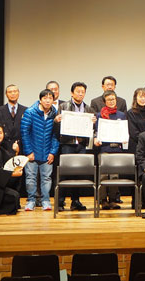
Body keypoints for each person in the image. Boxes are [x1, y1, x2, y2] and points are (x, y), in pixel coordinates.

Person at [54, 81, 95, 212]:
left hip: (81, 144)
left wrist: (93, 123)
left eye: (83, 92)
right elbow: (57, 127)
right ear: (72, 93)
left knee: (78, 173)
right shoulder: (63, 106)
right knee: (65, 173)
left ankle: (75, 201)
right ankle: (60, 201)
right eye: (78, 91)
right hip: (68, 143)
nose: (80, 94)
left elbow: (91, 129)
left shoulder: (89, 109)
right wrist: (57, 121)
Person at [20, 89, 59, 211]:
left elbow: (56, 135)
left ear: (53, 100)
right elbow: (24, 132)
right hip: (32, 152)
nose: (47, 101)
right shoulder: (30, 112)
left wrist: (53, 152)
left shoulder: (55, 114)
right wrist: (28, 152)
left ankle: (46, 201)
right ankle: (31, 201)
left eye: (50, 98)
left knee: (47, 178)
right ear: (40, 100)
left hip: (47, 152)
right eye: (45, 98)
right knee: (30, 178)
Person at [94, 90, 128, 210]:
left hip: (117, 149)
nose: (111, 101)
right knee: (103, 176)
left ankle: (113, 199)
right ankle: (103, 200)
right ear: (104, 102)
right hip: (104, 148)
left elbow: (125, 131)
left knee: (114, 176)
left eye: (113, 99)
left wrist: (125, 138)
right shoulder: (99, 115)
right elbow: (96, 131)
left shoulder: (121, 115)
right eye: (109, 100)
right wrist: (96, 138)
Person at [0, 84, 27, 154]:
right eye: (10, 92)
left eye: (15, 91)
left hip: (21, 148)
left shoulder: (26, 110)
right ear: (6, 94)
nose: (13, 94)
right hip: (3, 148)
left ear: (18, 93)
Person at [127, 88, 145, 154]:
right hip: (136, 146)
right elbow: (133, 133)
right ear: (135, 98)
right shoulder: (131, 113)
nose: (143, 99)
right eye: (140, 97)